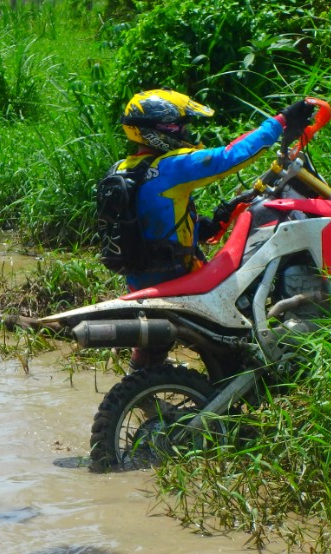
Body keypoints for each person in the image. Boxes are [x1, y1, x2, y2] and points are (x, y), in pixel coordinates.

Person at [109, 89, 316, 368]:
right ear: (157, 131)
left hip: (141, 278)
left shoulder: (123, 169)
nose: (186, 133)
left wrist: (206, 226)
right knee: (252, 284)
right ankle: (254, 367)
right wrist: (281, 121)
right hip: (178, 276)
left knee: (152, 353)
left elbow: (151, 223)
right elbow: (230, 156)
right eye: (179, 127)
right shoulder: (170, 167)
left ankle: (143, 369)